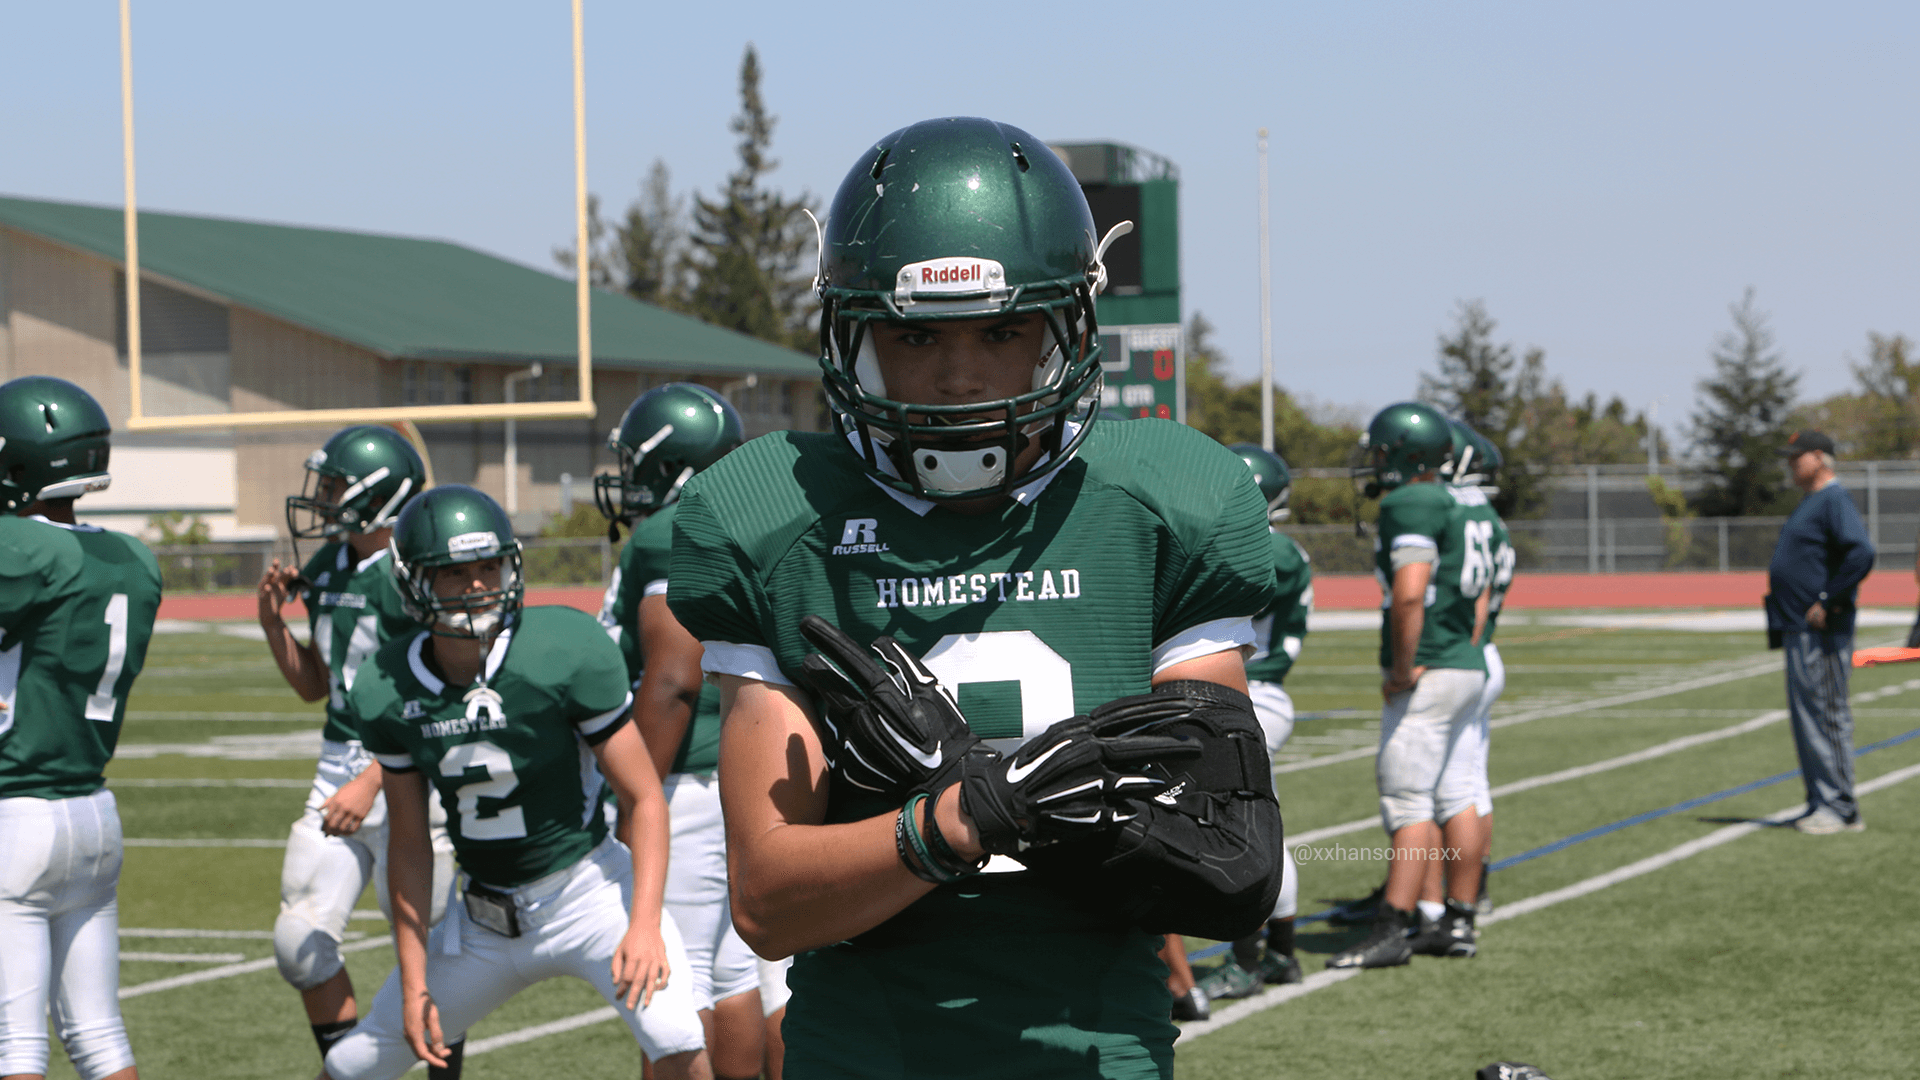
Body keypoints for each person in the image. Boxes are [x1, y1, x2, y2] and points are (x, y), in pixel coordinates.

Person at [667, 117, 1280, 1079]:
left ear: (1067, 327)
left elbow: (1228, 868)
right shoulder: (776, 518)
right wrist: (955, 820)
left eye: (1001, 331)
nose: (959, 377)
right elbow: (768, 906)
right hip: (865, 1055)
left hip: (1098, 1052)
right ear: (855, 336)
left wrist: (1004, 800)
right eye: (916, 334)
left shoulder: (1162, 503)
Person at [318, 486, 710, 1080]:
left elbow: (644, 797)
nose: (478, 584)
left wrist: (645, 924)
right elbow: (410, 843)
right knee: (353, 1064)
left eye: (488, 566)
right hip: (481, 918)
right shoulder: (388, 684)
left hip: (589, 894)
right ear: (413, 581)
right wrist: (415, 981)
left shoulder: (562, 649)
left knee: (678, 1041)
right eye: (455, 572)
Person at [259, 425, 460, 1072]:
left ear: (379, 494)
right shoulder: (331, 563)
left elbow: (440, 695)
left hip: (413, 769)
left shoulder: (415, 572)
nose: (322, 499)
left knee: (435, 957)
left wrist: (374, 779)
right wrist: (273, 625)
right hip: (338, 764)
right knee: (299, 943)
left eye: (335, 487)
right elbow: (315, 686)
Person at [596, 383, 764, 1079]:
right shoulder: (757, 519)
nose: (628, 479)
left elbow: (673, 676)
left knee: (673, 979)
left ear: (674, 464)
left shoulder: (673, 531)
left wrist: (637, 791)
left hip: (685, 780)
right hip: (747, 770)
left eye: (639, 463)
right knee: (740, 974)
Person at [0, 376, 160, 1080]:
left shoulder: (20, 548)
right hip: (92, 813)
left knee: (15, 1047)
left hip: (17, 816)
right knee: (99, 1038)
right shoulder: (133, 558)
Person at [1327, 402, 1488, 971]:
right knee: (1456, 793)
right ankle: (1455, 916)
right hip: (1466, 662)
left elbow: (1411, 592)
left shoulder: (1412, 502)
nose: (1373, 462)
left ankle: (1392, 927)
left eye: (1380, 452)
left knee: (1407, 799)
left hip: (1432, 669)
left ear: (1401, 454)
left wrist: (1402, 668)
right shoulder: (1465, 504)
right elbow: (1479, 597)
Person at [1196, 444, 1309, 998]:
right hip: (1255, 695)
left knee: (1238, 828)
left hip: (1251, 695)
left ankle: (1247, 962)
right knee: (1262, 825)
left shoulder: (1272, 550)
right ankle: (1281, 955)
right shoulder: (1278, 547)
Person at [1766, 430, 1874, 834]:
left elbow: (1861, 552)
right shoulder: (1811, 501)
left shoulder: (1833, 499)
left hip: (1822, 632)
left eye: (1797, 457)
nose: (1790, 464)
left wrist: (1827, 600)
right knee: (1807, 720)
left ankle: (1841, 808)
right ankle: (1819, 801)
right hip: (1798, 628)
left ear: (1819, 457)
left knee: (1827, 716)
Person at [1431, 421, 1513, 921]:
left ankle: (1436, 898)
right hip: (1481, 652)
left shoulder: (1461, 518)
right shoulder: (1488, 521)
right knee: (1471, 783)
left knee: (1447, 789)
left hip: (1464, 652)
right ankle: (1471, 889)